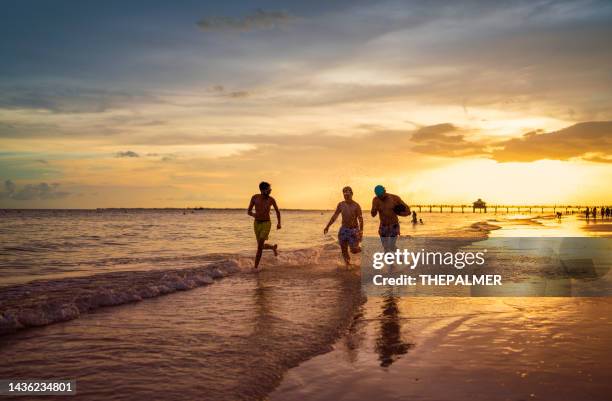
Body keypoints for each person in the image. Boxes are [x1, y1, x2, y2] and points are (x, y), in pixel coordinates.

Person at [324, 186, 364, 267]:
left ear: (352, 194)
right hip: (343, 230)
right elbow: (335, 216)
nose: (346, 195)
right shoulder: (341, 204)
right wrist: (327, 226)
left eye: (348, 193)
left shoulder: (356, 205)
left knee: (354, 250)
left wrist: (361, 232)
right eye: (344, 194)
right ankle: (348, 265)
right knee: (344, 250)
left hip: (354, 230)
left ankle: (365, 250)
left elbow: (360, 219)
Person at [247, 181, 281, 270]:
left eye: (270, 189)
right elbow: (248, 211)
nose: (270, 191)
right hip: (257, 224)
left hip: (266, 223)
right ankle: (272, 247)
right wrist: (254, 215)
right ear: (262, 190)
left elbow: (277, 211)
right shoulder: (255, 198)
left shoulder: (271, 200)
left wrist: (279, 223)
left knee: (259, 247)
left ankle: (255, 268)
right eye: (268, 189)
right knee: (260, 246)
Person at [371, 185, 410, 252]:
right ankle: (389, 261)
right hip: (383, 226)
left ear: (385, 191)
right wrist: (374, 210)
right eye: (378, 196)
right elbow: (373, 215)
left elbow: (408, 211)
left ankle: (399, 256)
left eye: (381, 195)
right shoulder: (375, 200)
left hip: (394, 225)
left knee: (391, 246)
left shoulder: (395, 198)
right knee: (385, 247)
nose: (380, 197)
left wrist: (400, 213)